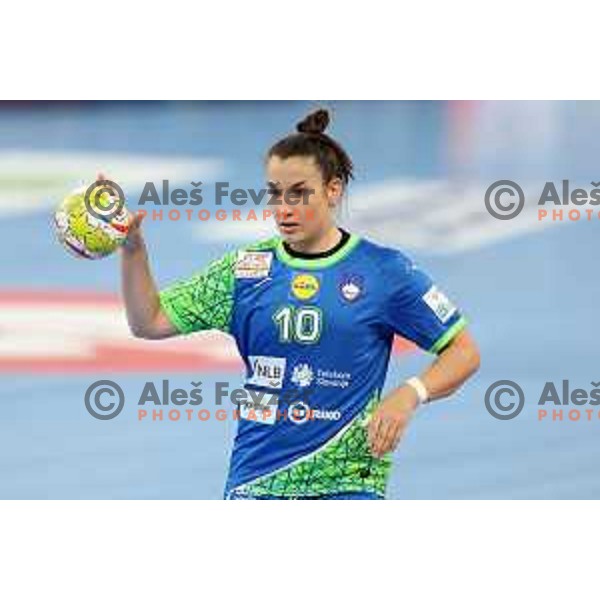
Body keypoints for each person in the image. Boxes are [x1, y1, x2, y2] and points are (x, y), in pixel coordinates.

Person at [116, 108, 480, 500]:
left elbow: (463, 352)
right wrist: (132, 248)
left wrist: (410, 393)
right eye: (275, 194)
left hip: (347, 483)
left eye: (300, 193)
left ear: (333, 190)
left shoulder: (384, 271)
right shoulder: (244, 271)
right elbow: (148, 321)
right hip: (257, 481)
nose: (284, 208)